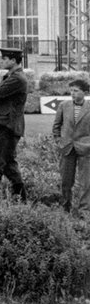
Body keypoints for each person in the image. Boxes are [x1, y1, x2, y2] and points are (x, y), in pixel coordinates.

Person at [0, 46, 29, 200]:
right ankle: (21, 198)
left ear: (13, 60)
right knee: (9, 164)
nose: (1, 61)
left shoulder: (17, 78)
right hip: (7, 124)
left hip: (6, 125)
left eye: (4, 59)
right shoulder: (11, 76)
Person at [54, 77, 90, 219]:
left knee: (86, 182)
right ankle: (65, 207)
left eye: (76, 91)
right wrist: (59, 141)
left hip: (86, 149)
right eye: (71, 91)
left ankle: (84, 211)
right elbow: (56, 126)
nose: (72, 93)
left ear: (85, 92)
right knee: (66, 181)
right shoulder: (64, 105)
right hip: (67, 148)